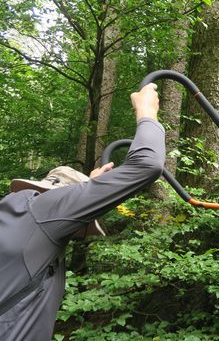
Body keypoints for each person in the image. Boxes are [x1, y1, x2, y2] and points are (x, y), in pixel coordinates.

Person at [0, 83, 165, 340]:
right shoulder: (41, 211)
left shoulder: (16, 218)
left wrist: (89, 189)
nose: (80, 232)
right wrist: (146, 112)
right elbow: (147, 165)